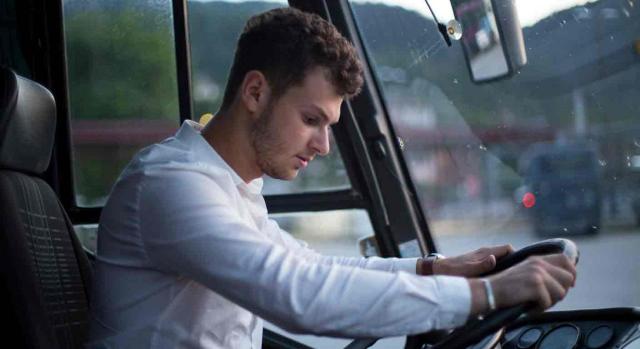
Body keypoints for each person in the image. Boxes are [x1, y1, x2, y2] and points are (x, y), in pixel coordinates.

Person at [87, 7, 576, 348]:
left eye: (329, 127)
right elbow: (299, 294)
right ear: (255, 92)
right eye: (310, 119)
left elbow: (315, 267)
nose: (323, 146)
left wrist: (434, 269)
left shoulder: (231, 189)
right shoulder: (171, 185)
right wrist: (489, 294)